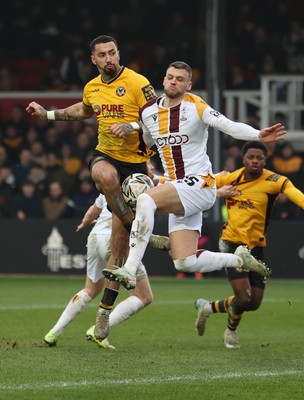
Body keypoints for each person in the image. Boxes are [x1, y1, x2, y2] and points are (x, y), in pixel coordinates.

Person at [102, 61, 283, 332]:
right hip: (178, 189)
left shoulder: (196, 106)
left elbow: (229, 126)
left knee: (146, 200)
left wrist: (258, 134)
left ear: (188, 85)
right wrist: (132, 129)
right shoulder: (149, 112)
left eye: (180, 79)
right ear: (163, 80)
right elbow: (149, 141)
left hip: (200, 185)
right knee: (184, 261)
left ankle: (129, 267)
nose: (173, 82)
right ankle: (238, 259)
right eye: (170, 77)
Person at [26, 35, 168, 342]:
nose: (109, 58)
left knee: (119, 246)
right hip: (107, 156)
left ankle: (104, 311)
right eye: (102, 55)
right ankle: (136, 226)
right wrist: (47, 114)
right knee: (103, 176)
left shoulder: (138, 82)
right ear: (94, 59)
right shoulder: (92, 87)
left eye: (113, 52)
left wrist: (131, 126)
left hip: (137, 164)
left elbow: (159, 122)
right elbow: (82, 110)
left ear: (119, 53)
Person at [194, 141, 304, 349]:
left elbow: (299, 197)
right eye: (251, 157)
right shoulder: (230, 177)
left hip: (256, 246)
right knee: (243, 297)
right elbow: (196, 184)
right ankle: (230, 334)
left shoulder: (275, 180)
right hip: (231, 242)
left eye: (259, 158)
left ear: (265, 159)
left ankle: (207, 307)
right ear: (243, 159)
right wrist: (219, 192)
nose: (255, 161)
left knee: (254, 303)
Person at [44, 193, 153, 349]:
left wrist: (83, 223)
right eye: (147, 166)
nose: (149, 167)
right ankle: (98, 330)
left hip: (95, 237)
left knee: (90, 289)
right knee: (144, 296)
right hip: (116, 242)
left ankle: (54, 333)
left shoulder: (110, 184)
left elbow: (92, 211)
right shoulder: (142, 189)